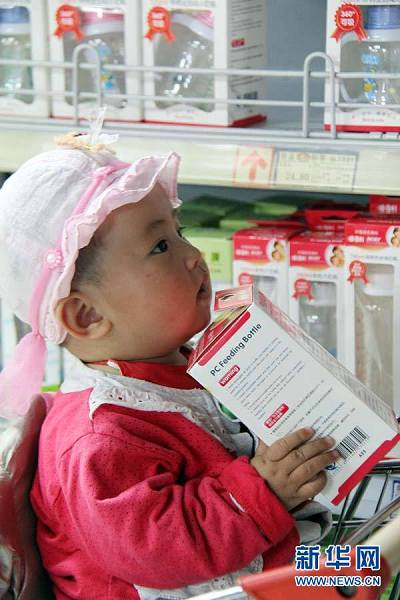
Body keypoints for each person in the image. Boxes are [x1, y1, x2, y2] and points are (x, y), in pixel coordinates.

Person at [0, 131, 336, 600]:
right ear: (87, 315)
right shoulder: (100, 436)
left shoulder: (169, 371)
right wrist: (264, 488)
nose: (193, 255)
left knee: (367, 566)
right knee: (367, 569)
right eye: (160, 246)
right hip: (209, 581)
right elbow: (154, 548)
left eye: (179, 233)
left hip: (268, 563)